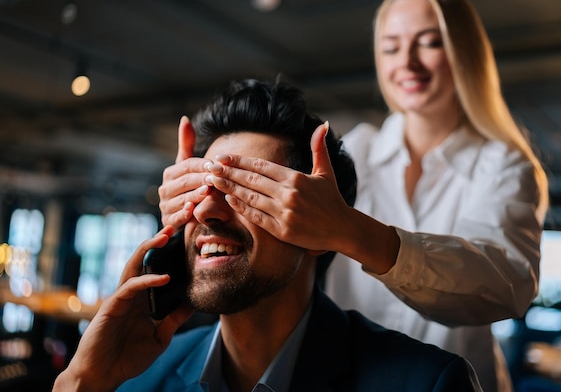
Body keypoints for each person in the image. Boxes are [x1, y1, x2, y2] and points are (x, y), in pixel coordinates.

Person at [157, 0, 550, 392]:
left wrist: (347, 229)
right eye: (392, 47)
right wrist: (192, 202)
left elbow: (506, 283)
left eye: (429, 42)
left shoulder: (504, 164)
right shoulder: (355, 148)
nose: (408, 62)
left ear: (465, 53)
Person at [52, 78, 483, 392]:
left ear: (319, 225)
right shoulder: (134, 377)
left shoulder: (426, 383)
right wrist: (84, 381)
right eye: (198, 189)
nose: (205, 209)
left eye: (246, 191)